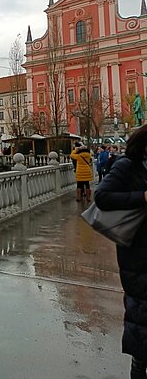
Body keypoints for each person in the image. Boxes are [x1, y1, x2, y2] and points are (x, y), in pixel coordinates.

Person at [94, 125, 147, 377]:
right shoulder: (127, 166)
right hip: (138, 254)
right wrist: (142, 197)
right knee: (142, 319)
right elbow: (102, 197)